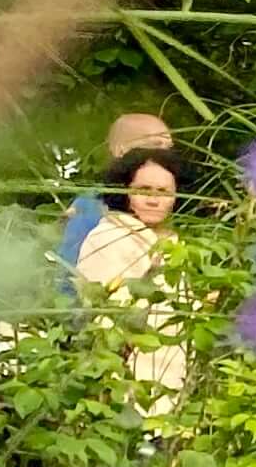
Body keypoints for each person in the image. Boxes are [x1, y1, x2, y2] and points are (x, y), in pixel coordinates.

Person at [74, 146, 189, 403]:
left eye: (163, 192)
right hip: (124, 376)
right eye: (143, 190)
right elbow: (106, 317)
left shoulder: (175, 243)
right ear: (124, 191)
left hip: (173, 372)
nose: (153, 200)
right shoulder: (108, 237)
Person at [58, 113, 172, 272]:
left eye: (169, 147)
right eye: (156, 144)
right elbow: (71, 273)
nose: (166, 154)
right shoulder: (95, 204)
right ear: (121, 150)